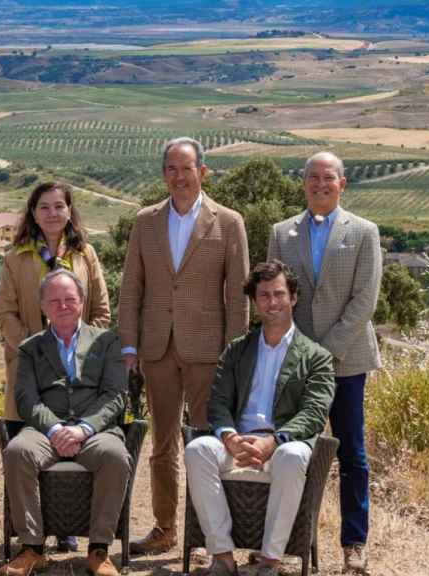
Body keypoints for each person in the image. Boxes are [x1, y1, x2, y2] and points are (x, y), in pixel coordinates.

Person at [118, 137, 250, 554]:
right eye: (171, 169)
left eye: (186, 168)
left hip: (210, 352)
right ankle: (164, 528)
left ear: (203, 172)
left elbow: (237, 295)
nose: (179, 176)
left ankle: (206, 532)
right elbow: (131, 289)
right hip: (157, 348)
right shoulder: (145, 221)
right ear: (164, 174)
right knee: (162, 445)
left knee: (207, 443)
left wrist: (235, 352)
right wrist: (129, 346)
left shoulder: (229, 222)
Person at [268, 151, 382, 575]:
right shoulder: (281, 233)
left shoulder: (366, 232)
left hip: (348, 360)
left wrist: (325, 351)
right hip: (295, 362)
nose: (320, 184)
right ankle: (289, 544)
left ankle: (355, 544)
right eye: (312, 177)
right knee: (293, 451)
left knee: (352, 453)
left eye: (328, 178)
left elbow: (364, 300)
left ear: (342, 184)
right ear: (303, 183)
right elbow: (276, 297)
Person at [185, 260, 336, 576]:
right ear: (255, 302)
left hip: (283, 442)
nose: (272, 302)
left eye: (279, 294)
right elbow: (219, 403)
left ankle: (270, 561)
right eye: (264, 295)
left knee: (293, 457)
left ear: (293, 298)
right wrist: (229, 437)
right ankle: (223, 557)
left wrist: (273, 441)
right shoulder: (237, 350)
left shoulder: (316, 356)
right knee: (197, 450)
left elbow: (314, 413)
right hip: (237, 442)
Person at [0, 269, 129, 576]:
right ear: (43, 305)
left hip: (94, 430)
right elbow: (26, 398)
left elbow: (116, 395)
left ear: (82, 302)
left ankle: (99, 551)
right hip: (46, 430)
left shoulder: (108, 342)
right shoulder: (30, 347)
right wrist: (56, 430)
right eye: (54, 300)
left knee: (116, 456)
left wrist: (84, 428)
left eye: (70, 299)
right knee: (17, 452)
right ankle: (32, 549)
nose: (63, 306)